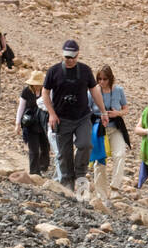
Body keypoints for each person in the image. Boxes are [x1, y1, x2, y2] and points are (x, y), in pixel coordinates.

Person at [43, 39, 108, 198]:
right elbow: (45, 92)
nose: (70, 60)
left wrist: (103, 111)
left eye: (73, 57)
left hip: (82, 117)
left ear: (78, 54)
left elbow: (94, 91)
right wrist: (51, 113)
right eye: (67, 57)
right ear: (62, 54)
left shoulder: (85, 71)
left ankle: (80, 175)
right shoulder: (53, 71)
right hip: (61, 118)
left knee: (85, 144)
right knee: (64, 154)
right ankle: (67, 186)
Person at [90, 65, 130, 204]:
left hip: (115, 127)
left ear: (110, 78)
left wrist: (117, 113)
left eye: (105, 79)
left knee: (120, 154)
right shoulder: (93, 91)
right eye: (99, 79)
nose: (102, 82)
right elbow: (87, 110)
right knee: (100, 160)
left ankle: (115, 187)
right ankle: (101, 193)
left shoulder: (118, 90)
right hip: (99, 129)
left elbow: (126, 109)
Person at [15, 71, 51, 176]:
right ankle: (34, 172)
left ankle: (42, 168)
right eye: (35, 84)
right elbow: (21, 108)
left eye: (38, 84)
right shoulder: (26, 92)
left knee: (45, 147)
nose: (36, 86)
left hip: (44, 123)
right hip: (30, 124)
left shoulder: (47, 91)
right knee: (34, 149)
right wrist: (17, 124)